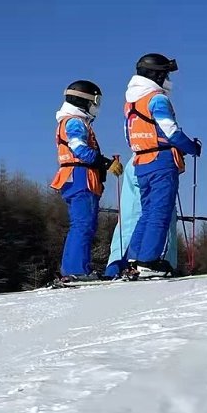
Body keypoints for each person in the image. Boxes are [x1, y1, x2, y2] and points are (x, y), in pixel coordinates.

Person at [124, 53, 201, 278]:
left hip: (141, 160)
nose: (168, 79)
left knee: (146, 212)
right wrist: (191, 147)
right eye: (166, 74)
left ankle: (135, 259)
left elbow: (129, 136)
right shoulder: (156, 98)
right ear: (157, 75)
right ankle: (148, 261)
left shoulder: (131, 102)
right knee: (160, 211)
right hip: (161, 160)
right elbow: (171, 131)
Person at [50, 80, 123, 280]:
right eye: (95, 101)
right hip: (81, 177)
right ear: (84, 100)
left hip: (74, 177)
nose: (96, 107)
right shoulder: (74, 121)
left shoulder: (71, 120)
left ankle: (72, 269)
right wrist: (106, 163)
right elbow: (79, 148)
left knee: (81, 224)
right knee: (83, 224)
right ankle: (77, 270)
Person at [104, 154, 178, 278]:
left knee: (130, 224)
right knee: (156, 216)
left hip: (141, 162)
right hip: (157, 163)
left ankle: (119, 267)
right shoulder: (157, 153)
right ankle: (148, 263)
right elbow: (172, 135)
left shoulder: (135, 157)